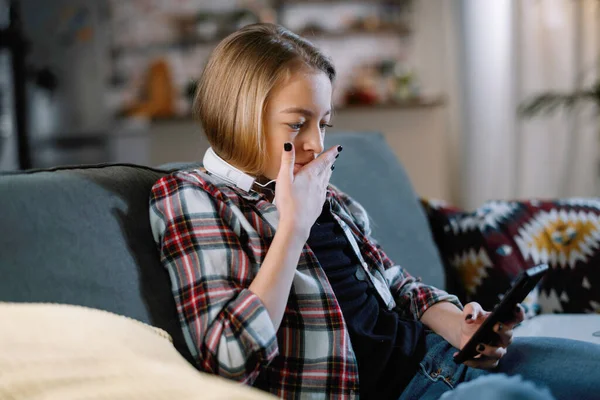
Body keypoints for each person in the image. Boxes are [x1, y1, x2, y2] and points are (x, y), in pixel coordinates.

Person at [149, 23, 600, 400]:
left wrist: (460, 326)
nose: (314, 144)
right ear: (238, 113)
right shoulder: (194, 197)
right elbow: (230, 358)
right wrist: (293, 226)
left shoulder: (326, 192)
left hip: (439, 359)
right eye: (296, 123)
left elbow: (394, 282)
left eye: (323, 124)